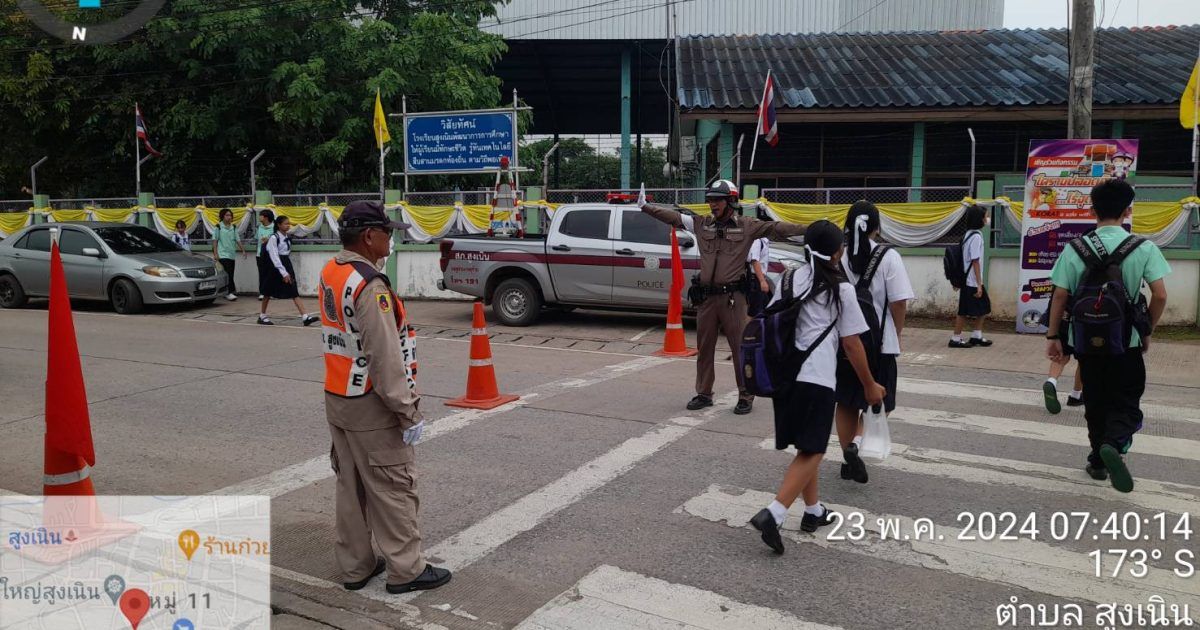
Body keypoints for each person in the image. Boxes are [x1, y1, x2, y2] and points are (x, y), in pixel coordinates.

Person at [320, 200, 451, 594]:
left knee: (351, 487)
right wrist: (407, 411)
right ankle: (407, 570)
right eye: (387, 233)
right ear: (368, 236)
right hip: (371, 403)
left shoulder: (333, 271)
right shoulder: (369, 285)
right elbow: (384, 356)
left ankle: (356, 566)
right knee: (393, 487)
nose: (390, 240)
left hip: (339, 397)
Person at [749, 221, 886, 554]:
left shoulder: (789, 278)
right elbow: (852, 344)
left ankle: (813, 511)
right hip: (817, 378)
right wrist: (870, 385)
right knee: (814, 451)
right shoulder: (842, 289)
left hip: (786, 378)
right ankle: (774, 513)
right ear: (837, 253)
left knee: (806, 447)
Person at [1045, 178, 1169, 493]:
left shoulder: (1074, 248)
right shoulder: (1143, 248)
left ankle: (1097, 462)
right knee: (1126, 400)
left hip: (1086, 341)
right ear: (1128, 211)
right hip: (1126, 342)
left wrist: (1053, 335)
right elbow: (1160, 295)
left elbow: (1060, 295)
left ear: (1092, 210)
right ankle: (1114, 443)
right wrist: (1146, 329)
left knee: (1096, 400)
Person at [639, 180, 805, 415]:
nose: (712, 204)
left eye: (717, 200)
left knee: (740, 348)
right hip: (707, 299)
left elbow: (777, 228)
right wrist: (645, 207)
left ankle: (745, 394)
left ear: (731, 201)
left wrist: (809, 229)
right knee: (704, 348)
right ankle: (704, 393)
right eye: (710, 200)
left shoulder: (747, 226)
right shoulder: (702, 223)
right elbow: (674, 218)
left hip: (733, 298)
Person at [835, 201, 914, 484]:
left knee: (846, 402)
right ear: (877, 228)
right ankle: (857, 444)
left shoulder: (839, 256)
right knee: (882, 400)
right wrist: (897, 334)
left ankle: (847, 457)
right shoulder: (889, 256)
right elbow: (899, 302)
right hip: (881, 343)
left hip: (846, 343)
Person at [259, 215, 319, 326]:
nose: (288, 225)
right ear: (279, 225)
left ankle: (305, 316)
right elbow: (274, 256)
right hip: (275, 267)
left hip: (286, 263)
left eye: (288, 223)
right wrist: (283, 272)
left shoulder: (287, 236)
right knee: (268, 291)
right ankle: (262, 315)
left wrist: (286, 270)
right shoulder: (274, 238)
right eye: (285, 224)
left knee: (293, 289)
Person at [949, 204, 993, 348]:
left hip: (969, 279)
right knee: (964, 311)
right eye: (986, 216)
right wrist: (979, 284)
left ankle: (976, 335)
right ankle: (955, 338)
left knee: (984, 307)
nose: (988, 219)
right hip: (972, 281)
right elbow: (975, 261)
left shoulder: (968, 234)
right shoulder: (976, 237)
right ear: (979, 219)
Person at [212, 208, 246, 301]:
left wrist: (243, 250)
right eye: (227, 215)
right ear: (222, 216)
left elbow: (238, 239)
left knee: (231, 273)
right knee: (228, 273)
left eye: (230, 215)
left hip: (231, 254)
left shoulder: (233, 227)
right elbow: (215, 241)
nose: (229, 217)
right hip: (222, 254)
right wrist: (215, 253)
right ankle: (228, 292)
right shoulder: (218, 227)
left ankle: (227, 291)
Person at [746, 235, 772, 317]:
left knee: (764, 308)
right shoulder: (757, 241)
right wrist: (762, 281)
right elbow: (754, 261)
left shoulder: (764, 241)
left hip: (757, 279)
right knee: (755, 312)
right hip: (755, 280)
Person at [255, 209, 275, 301]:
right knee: (262, 274)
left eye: (261, 215)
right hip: (260, 254)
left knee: (271, 274)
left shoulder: (274, 228)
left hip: (271, 254)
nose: (259, 217)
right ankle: (262, 293)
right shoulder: (259, 227)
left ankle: (271, 293)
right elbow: (257, 239)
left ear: (266, 217)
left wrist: (269, 240)